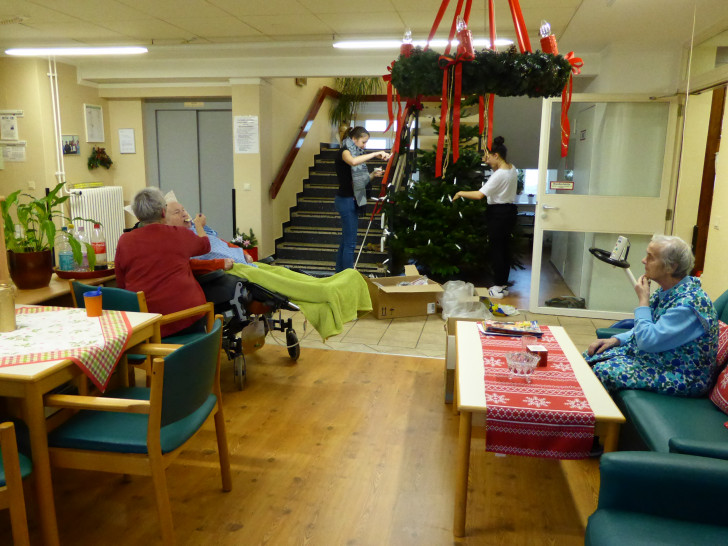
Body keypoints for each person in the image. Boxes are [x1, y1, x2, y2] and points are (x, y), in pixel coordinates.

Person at [584, 235, 718, 397]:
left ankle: (599, 420)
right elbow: (648, 327)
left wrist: (643, 301)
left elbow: (646, 341)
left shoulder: (689, 305)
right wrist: (616, 340)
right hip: (658, 360)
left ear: (671, 267)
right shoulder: (668, 291)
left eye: (650, 257)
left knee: (603, 372)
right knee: (591, 355)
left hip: (682, 375)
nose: (643, 260)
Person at [115, 188, 211, 337]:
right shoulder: (179, 234)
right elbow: (205, 245)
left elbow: (121, 283)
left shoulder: (124, 240)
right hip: (186, 318)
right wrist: (199, 225)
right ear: (163, 213)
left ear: (138, 216)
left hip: (146, 324)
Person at [453, 136, 518, 299]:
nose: (485, 160)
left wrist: (460, 193)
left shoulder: (499, 175)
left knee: (497, 250)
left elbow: (479, 195)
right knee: (504, 249)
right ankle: (502, 285)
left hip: (498, 214)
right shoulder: (512, 168)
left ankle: (497, 287)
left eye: (487, 157)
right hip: (509, 212)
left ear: (496, 155)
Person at [334, 126, 391, 272]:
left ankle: (339, 274)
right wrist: (374, 153)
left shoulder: (355, 152)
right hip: (346, 200)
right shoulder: (345, 151)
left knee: (345, 242)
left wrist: (372, 174)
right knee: (350, 243)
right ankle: (347, 278)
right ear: (354, 139)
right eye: (363, 142)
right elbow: (353, 162)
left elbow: (360, 181)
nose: (364, 146)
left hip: (350, 199)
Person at [164, 201, 256, 274]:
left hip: (244, 262)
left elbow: (223, 243)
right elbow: (191, 263)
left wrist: (245, 253)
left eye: (183, 210)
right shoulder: (176, 241)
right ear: (166, 223)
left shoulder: (195, 228)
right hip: (230, 270)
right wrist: (220, 264)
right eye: (177, 212)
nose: (184, 214)